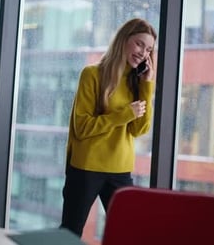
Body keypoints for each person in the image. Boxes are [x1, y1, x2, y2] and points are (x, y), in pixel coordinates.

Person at [60, 18, 157, 237]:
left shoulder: (137, 82)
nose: (143, 52)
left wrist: (147, 86)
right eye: (139, 44)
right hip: (86, 168)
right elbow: (83, 127)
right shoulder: (92, 74)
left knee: (127, 233)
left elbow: (139, 129)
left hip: (120, 170)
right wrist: (124, 115)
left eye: (149, 49)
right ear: (123, 40)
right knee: (70, 233)